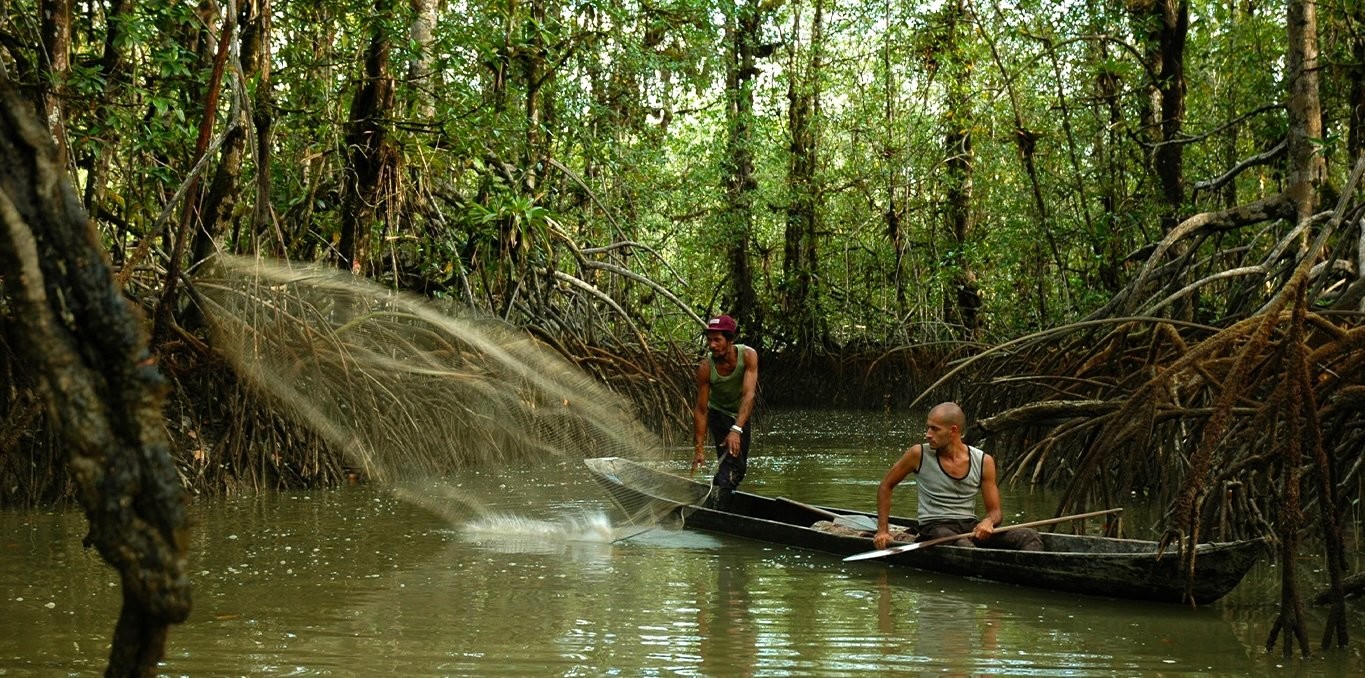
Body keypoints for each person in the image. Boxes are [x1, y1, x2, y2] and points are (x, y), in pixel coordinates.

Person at [873, 402, 1042, 551]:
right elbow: (886, 486)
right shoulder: (918, 454)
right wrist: (882, 531)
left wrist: (988, 522)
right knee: (963, 546)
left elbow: (995, 511)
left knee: (1029, 536)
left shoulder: (984, 461)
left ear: (953, 431)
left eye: (935, 429)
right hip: (935, 528)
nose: (928, 434)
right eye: (928, 427)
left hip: (968, 527)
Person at [691, 314, 758, 510]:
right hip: (718, 415)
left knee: (737, 467)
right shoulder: (705, 367)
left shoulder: (748, 356)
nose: (712, 345)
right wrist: (699, 449)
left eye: (717, 340)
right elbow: (702, 409)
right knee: (733, 467)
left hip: (740, 415)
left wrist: (736, 429)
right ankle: (717, 507)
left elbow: (748, 396)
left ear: (730, 340)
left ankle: (714, 502)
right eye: (709, 340)